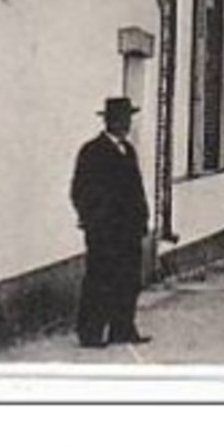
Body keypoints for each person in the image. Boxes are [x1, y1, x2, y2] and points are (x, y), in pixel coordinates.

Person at [70, 97, 151, 348]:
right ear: (110, 121)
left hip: (129, 231)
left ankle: (122, 328)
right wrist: (95, 221)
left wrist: (142, 219)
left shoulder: (128, 151)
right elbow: (79, 190)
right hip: (105, 232)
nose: (126, 124)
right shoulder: (92, 151)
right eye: (122, 119)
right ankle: (90, 333)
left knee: (128, 280)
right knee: (100, 280)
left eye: (128, 119)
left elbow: (136, 190)